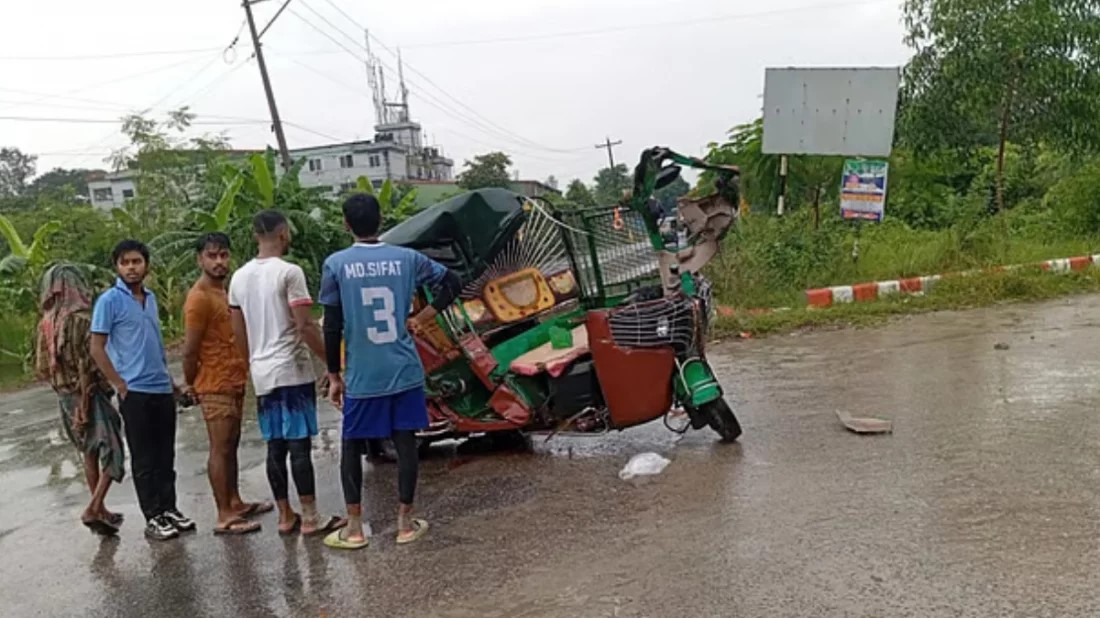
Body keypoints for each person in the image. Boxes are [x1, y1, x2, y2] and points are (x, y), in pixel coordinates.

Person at [321, 193, 461, 550]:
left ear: (345, 224)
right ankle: (405, 522)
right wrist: (423, 318)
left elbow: (332, 324)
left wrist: (334, 375)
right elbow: (452, 283)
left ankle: (354, 528)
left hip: (363, 374)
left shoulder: (336, 264)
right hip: (403, 368)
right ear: (381, 221)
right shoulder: (407, 259)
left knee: (352, 445)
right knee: (405, 442)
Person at [228, 210, 345, 537]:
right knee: (298, 445)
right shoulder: (290, 272)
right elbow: (305, 325)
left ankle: (284, 515)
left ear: (255, 236)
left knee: (274, 446)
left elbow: (238, 330)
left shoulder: (238, 277)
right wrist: (331, 364)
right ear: (283, 233)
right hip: (291, 370)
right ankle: (310, 516)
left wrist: (251, 361)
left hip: (262, 372)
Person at [90, 239, 194, 542]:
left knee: (165, 454)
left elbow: (156, 345)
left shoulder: (150, 298)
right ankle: (153, 516)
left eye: (136, 261)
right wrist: (118, 384)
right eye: (125, 263)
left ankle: (169, 508)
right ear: (117, 266)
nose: (132, 268)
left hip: (160, 388)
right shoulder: (109, 301)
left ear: (146, 264)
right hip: (134, 392)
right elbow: (97, 348)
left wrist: (171, 382)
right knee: (145, 458)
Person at [181, 232, 273, 535]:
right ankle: (224, 514)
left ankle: (235, 501)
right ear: (200, 259)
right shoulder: (199, 298)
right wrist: (189, 383)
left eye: (223, 255)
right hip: (213, 382)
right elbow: (190, 349)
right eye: (212, 256)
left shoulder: (224, 291)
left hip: (233, 378)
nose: (219, 261)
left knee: (231, 444)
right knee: (219, 447)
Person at [35, 263, 127, 536]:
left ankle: (101, 508)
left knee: (88, 450)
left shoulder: (46, 324)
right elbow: (91, 364)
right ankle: (94, 506)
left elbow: (42, 368)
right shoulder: (82, 320)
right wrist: (88, 399)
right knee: (113, 450)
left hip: (64, 397)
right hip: (89, 395)